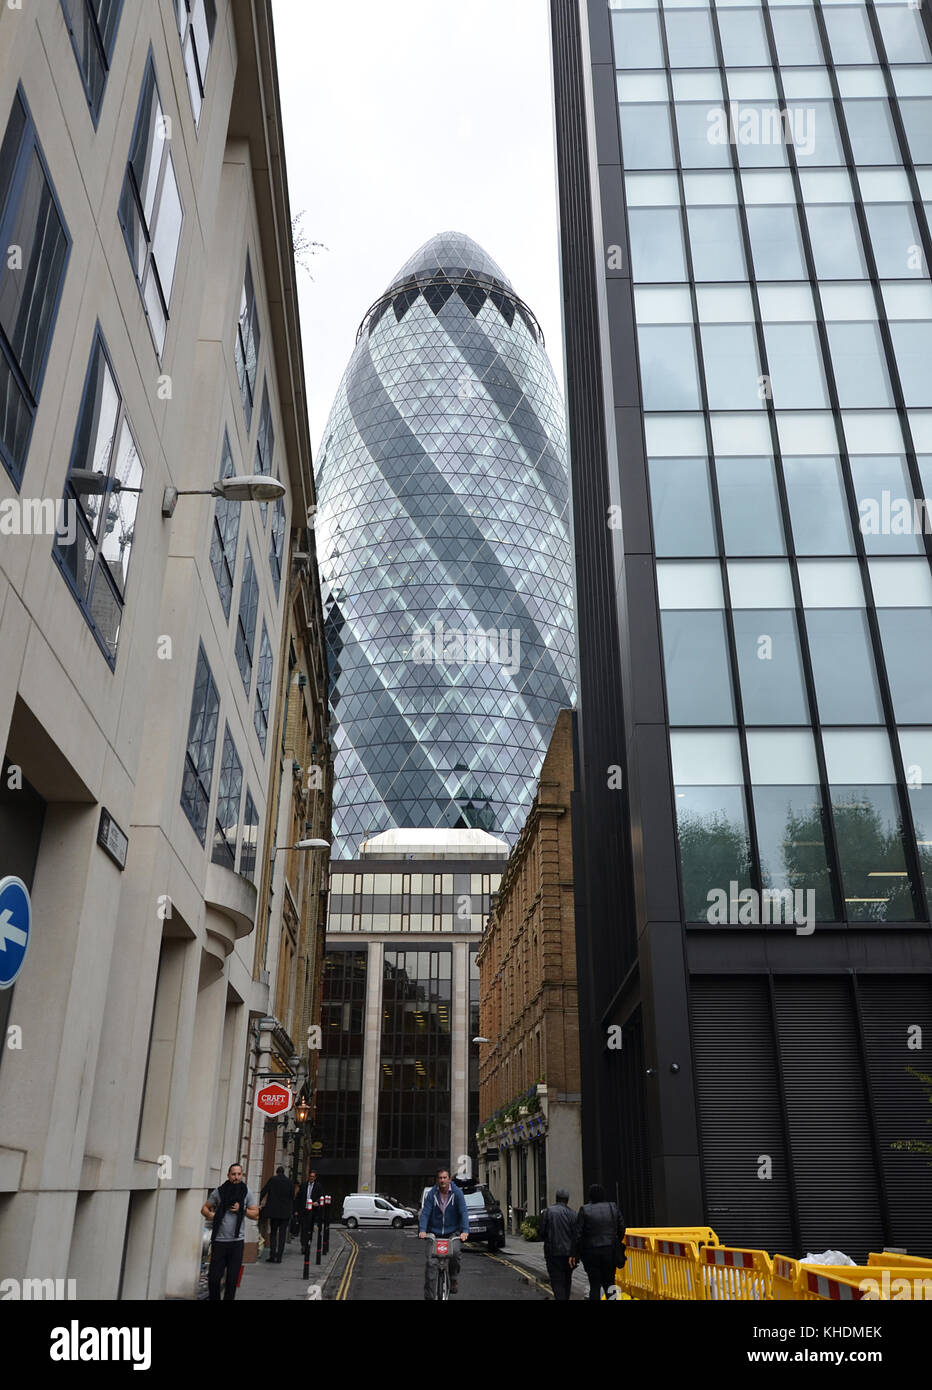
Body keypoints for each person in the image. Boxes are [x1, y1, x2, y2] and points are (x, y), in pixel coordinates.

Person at [201, 1163, 259, 1301]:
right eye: (233, 1174)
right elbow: (204, 1209)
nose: (236, 1177)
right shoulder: (219, 1192)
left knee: (232, 1281)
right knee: (214, 1279)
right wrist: (212, 1216)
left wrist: (242, 1210)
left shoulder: (246, 1192)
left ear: (242, 1175)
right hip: (219, 1242)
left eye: (239, 1174)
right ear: (228, 1175)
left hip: (236, 1243)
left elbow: (256, 1214)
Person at [418, 1167, 469, 1299]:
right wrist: (423, 1230)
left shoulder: (457, 1193)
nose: (442, 1180)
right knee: (431, 1264)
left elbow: (463, 1212)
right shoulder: (432, 1194)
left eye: (445, 1178)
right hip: (434, 1233)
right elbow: (425, 1213)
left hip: (453, 1232)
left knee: (456, 1253)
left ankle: (453, 1278)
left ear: (449, 1179)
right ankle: (429, 1296)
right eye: (440, 1178)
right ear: (437, 1180)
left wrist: (465, 1231)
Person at [574, 1183, 625, 1302]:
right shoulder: (613, 1207)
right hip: (610, 1250)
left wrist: (577, 1253)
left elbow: (578, 1234)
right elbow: (622, 1227)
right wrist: (616, 1241)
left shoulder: (584, 1209)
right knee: (610, 1283)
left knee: (594, 1285)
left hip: (591, 1252)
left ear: (590, 1196)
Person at [539, 1188, 576, 1301]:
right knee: (567, 1280)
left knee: (557, 1281)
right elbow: (577, 1235)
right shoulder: (573, 1214)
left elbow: (541, 1232)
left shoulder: (547, 1212)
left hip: (553, 1253)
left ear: (556, 1198)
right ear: (567, 1200)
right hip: (568, 1254)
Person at [259, 1165, 294, 1263]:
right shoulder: (289, 1182)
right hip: (285, 1213)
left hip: (274, 1212)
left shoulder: (273, 1180)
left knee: (273, 1234)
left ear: (277, 1172)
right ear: (284, 1172)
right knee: (282, 1235)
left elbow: (264, 1191)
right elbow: (292, 1197)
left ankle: (272, 1255)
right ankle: (279, 1257)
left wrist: (259, 1202)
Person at [294, 1168, 325, 1255]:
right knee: (303, 1228)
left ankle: (308, 1243)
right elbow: (298, 1198)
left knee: (310, 1228)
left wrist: (317, 1202)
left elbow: (321, 1196)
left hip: (313, 1211)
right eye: (310, 1176)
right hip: (303, 1210)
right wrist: (296, 1210)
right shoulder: (303, 1185)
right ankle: (303, 1245)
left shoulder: (318, 1186)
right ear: (308, 1177)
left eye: (313, 1177)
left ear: (315, 1178)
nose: (311, 1178)